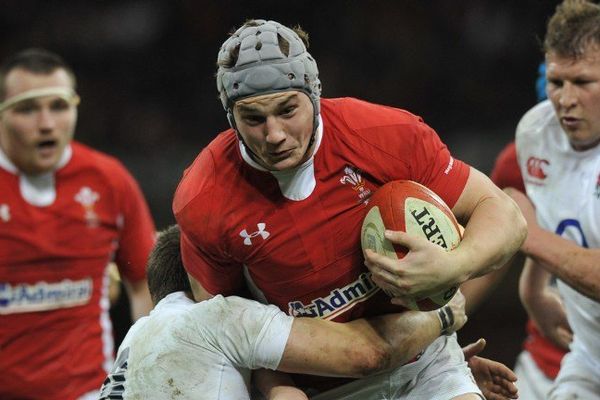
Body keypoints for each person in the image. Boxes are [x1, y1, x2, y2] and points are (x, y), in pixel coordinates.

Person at [173, 19, 526, 398]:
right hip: (314, 387)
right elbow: (230, 332)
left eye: (288, 110)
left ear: (314, 94)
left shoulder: (385, 135)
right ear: (231, 117)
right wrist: (279, 390)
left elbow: (504, 213)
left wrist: (455, 265)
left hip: (422, 365)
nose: (274, 134)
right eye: (254, 119)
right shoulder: (204, 199)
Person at [99, 225, 518, 400]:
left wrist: (407, 375)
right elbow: (363, 353)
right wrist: (441, 319)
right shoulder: (218, 317)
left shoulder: (137, 340)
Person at [0, 48, 156, 399]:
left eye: (58, 106)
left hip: (88, 392)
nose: (46, 123)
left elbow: (143, 281)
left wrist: (142, 368)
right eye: (27, 108)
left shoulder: (108, 180)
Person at [460, 61, 569, 400]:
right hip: (547, 369)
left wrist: (531, 244)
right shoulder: (524, 158)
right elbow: (481, 268)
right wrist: (425, 345)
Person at [508, 0, 600, 398]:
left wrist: (521, 231)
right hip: (588, 357)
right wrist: (532, 289)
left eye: (583, 82)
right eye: (557, 81)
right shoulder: (536, 131)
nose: (564, 99)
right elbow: (554, 215)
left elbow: (531, 227)